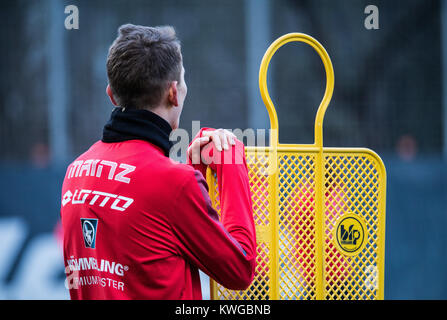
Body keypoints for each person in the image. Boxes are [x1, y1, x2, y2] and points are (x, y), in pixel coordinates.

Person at [60, 24, 257, 300]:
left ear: (111, 94)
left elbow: (149, 246)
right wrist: (232, 160)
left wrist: (195, 170)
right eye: (184, 80)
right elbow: (240, 268)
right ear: (173, 93)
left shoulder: (75, 172)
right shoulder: (174, 184)